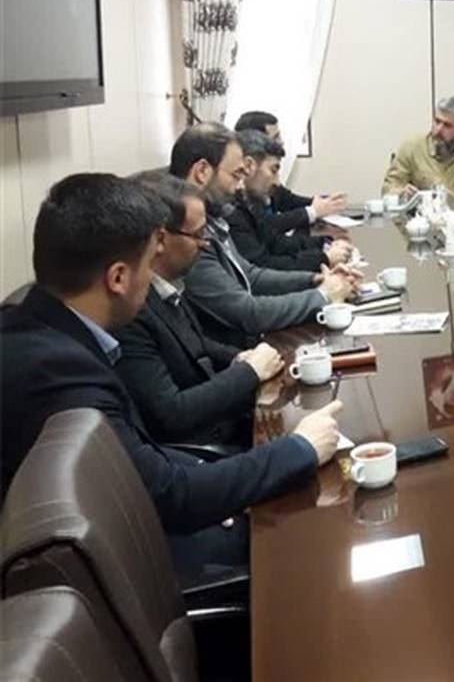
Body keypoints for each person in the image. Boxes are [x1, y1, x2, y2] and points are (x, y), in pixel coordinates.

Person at [0, 173, 341, 582]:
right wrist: (299, 449)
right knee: (314, 541)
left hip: (134, 528)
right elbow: (171, 495)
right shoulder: (59, 375)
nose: (153, 280)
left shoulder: (39, 328)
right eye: (148, 265)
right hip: (141, 568)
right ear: (118, 278)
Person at [114, 172, 283, 447]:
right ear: (160, 240)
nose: (205, 244)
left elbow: (196, 343)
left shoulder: (167, 285)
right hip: (204, 448)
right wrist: (249, 372)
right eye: (198, 234)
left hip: (224, 421)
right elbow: (171, 414)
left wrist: (240, 357)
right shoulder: (128, 311)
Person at [169, 122, 357, 347]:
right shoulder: (184, 235)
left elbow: (251, 275)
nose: (240, 188)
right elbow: (247, 313)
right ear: (202, 172)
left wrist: (315, 280)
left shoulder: (212, 218)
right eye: (236, 175)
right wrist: (323, 295)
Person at [227, 129, 353, 272]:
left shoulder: (246, 203)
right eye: (273, 170)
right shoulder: (231, 210)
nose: (277, 182)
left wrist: (325, 243)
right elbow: (263, 266)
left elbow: (276, 243)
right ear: (249, 165)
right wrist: (324, 259)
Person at [233, 110, 347, 233]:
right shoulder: (235, 192)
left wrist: (324, 203)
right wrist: (313, 211)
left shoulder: (265, 177)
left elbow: (287, 199)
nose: (281, 141)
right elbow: (265, 226)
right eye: (276, 137)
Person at [382, 96, 454, 194]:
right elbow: (387, 188)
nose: (439, 130)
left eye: (447, 125)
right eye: (437, 121)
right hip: (422, 210)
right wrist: (401, 192)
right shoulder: (412, 146)